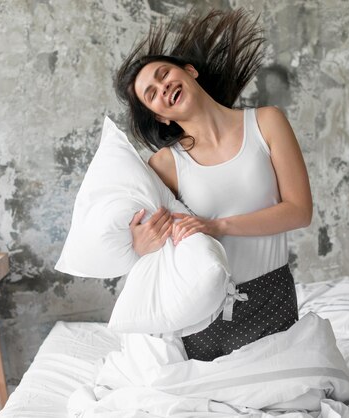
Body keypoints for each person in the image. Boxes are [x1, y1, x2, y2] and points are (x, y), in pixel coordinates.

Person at [114, 9, 312, 361]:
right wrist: (141, 242)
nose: (163, 88)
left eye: (165, 75)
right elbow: (140, 242)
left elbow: (299, 211)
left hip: (273, 297)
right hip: (203, 315)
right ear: (160, 115)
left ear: (189, 71)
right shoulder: (165, 164)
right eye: (152, 93)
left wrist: (219, 226)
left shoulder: (267, 123)